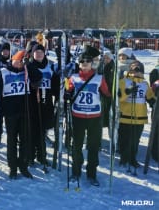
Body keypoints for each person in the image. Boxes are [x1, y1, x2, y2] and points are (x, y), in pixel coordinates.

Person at [65, 51, 110, 186]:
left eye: (87, 63)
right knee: (77, 146)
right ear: (79, 64)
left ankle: (92, 174)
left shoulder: (99, 78)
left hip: (94, 117)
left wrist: (114, 92)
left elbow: (107, 92)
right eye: (82, 63)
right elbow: (67, 90)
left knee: (93, 146)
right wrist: (66, 93)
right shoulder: (73, 77)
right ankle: (76, 171)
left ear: (92, 64)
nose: (85, 65)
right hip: (77, 116)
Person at [0, 50, 41, 179]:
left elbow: (38, 77)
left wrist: (28, 65)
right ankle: (12, 166)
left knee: (25, 139)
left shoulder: (27, 71)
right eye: (17, 62)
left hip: (25, 111)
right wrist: (0, 111)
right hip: (10, 111)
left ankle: (23, 165)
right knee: (11, 139)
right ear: (12, 60)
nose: (19, 65)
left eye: (21, 62)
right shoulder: (3, 72)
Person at [118, 60, 156, 172]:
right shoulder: (123, 81)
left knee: (135, 140)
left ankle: (132, 158)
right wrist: (128, 92)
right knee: (124, 139)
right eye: (133, 68)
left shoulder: (145, 84)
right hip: (125, 116)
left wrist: (154, 101)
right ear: (129, 70)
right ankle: (124, 158)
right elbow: (119, 98)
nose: (136, 71)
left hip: (140, 118)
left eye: (138, 69)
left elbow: (150, 97)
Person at [28, 44, 58, 168]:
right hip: (32, 101)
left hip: (46, 102)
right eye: (37, 52)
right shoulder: (29, 66)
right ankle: (30, 156)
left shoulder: (50, 67)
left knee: (42, 131)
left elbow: (55, 85)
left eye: (41, 52)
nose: (39, 54)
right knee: (32, 131)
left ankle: (42, 155)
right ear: (33, 54)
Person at [0, 42, 11, 145]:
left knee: (9, 117)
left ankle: (11, 136)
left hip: (9, 93)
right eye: (4, 50)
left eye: (7, 50)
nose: (6, 52)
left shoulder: (12, 61)